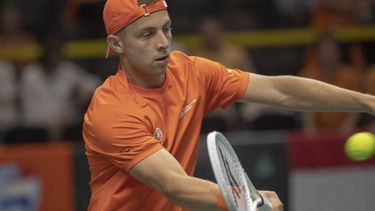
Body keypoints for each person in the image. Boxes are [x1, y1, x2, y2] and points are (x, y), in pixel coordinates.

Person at [82, 0, 375, 210]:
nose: (163, 43)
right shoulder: (111, 111)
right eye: (147, 34)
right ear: (116, 44)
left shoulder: (190, 72)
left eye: (166, 29)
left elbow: (279, 90)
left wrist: (368, 102)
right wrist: (248, 198)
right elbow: (175, 185)